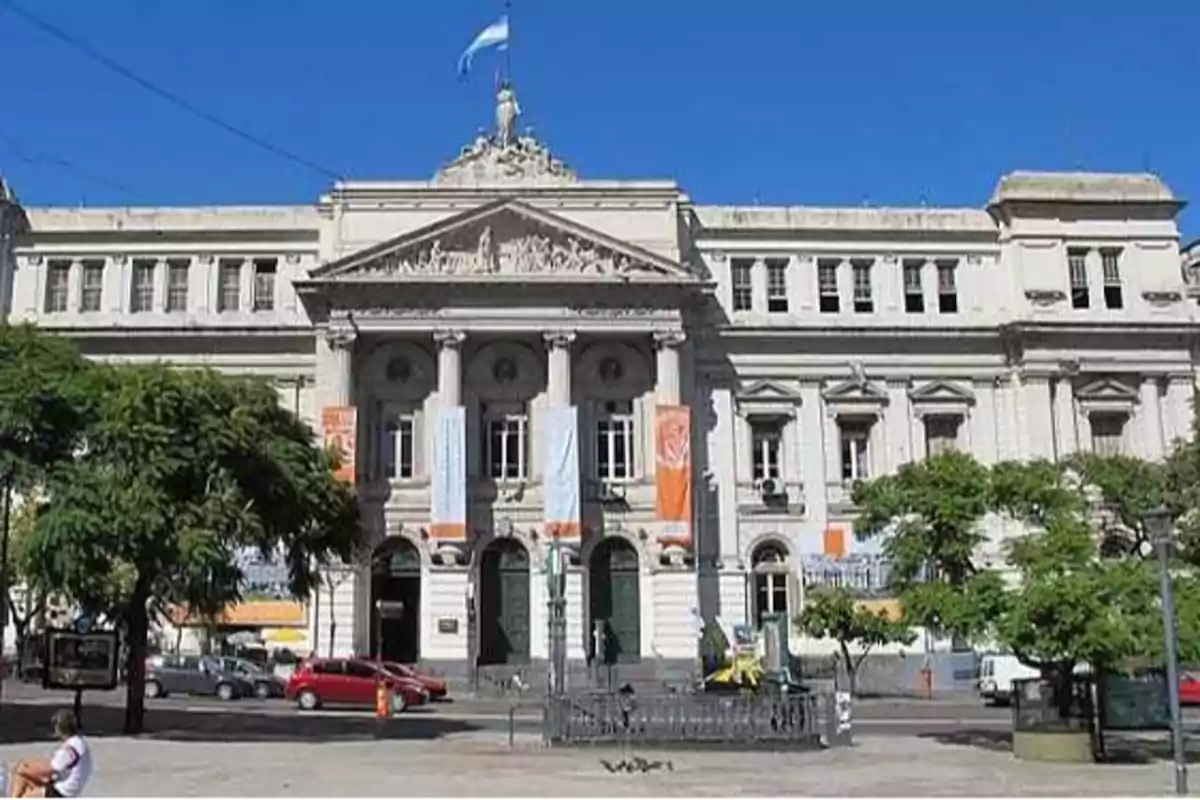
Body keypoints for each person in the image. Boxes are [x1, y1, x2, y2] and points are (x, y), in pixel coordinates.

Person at [7, 710, 93, 798]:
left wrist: (24, 769)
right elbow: (52, 764)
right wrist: (27, 765)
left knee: (23, 792)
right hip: (67, 788)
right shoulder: (79, 743)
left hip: (62, 792)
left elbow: (48, 770)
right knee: (22, 778)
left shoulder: (69, 750)